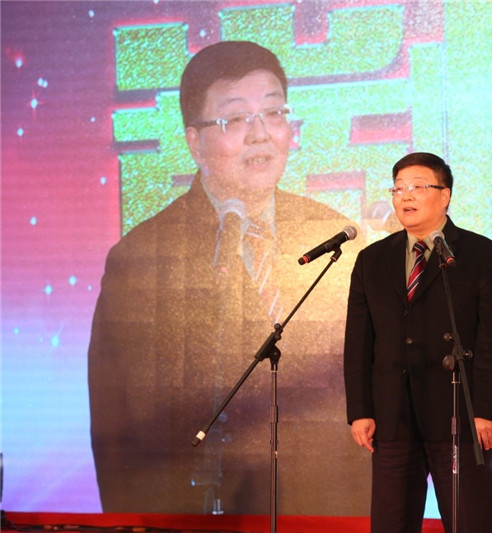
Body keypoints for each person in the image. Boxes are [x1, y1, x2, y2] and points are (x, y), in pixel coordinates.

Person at [88, 41, 367, 515]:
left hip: (326, 507)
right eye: (235, 119)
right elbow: (120, 428)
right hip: (199, 510)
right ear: (194, 142)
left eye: (274, 113)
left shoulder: (338, 236)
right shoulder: (141, 258)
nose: (260, 135)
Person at [343, 152, 492, 533]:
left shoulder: (482, 256)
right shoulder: (372, 260)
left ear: (445, 195)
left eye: (418, 187)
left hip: (459, 415)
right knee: (391, 524)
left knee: (467, 523)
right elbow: (358, 342)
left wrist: (486, 411)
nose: (406, 195)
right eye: (398, 188)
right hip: (392, 416)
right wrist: (360, 410)